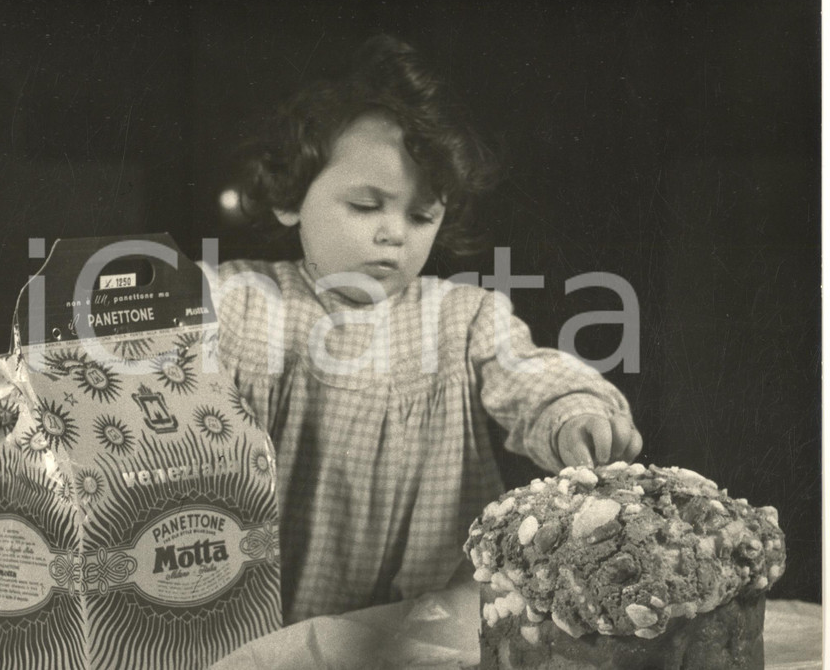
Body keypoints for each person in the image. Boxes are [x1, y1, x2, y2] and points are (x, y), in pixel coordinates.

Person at [202, 35, 642, 623]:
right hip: (264, 626)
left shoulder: (462, 319)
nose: (394, 234)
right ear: (288, 198)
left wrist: (574, 411)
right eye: (365, 206)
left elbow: (532, 374)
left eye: (421, 215)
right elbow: (147, 336)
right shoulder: (239, 303)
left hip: (421, 629)